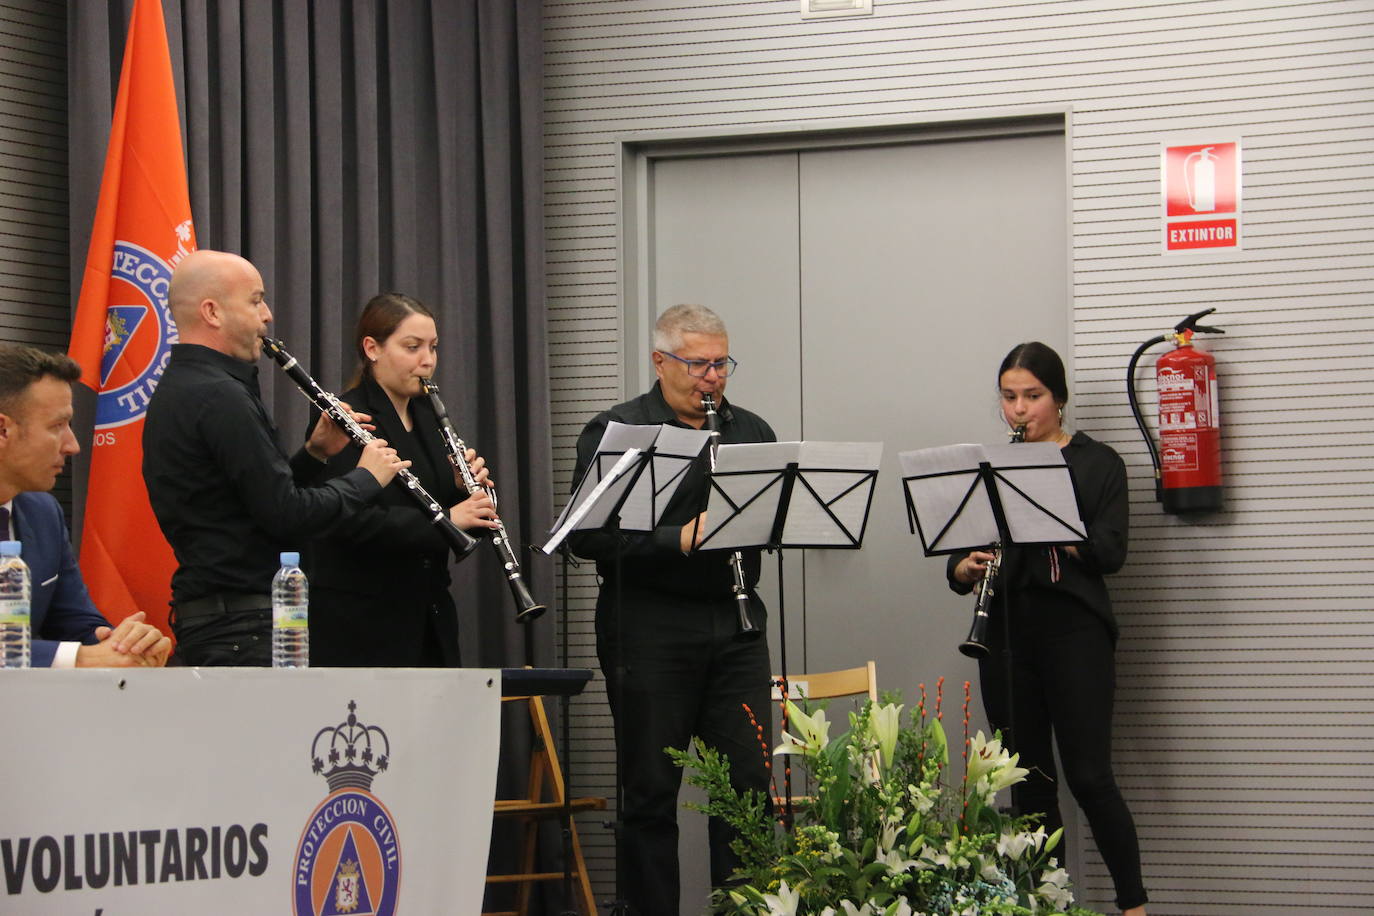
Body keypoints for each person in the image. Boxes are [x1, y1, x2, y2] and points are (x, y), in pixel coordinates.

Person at [569, 303, 775, 916]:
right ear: (660, 362)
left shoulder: (751, 432)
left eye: (721, 364)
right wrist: (676, 538)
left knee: (747, 789)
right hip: (648, 629)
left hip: (736, 624)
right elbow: (586, 537)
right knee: (652, 792)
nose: (712, 377)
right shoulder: (617, 432)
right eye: (697, 364)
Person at [947, 341, 1147, 915]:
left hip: (1074, 635)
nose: (1019, 409)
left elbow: (1111, 552)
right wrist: (963, 566)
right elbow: (960, 557)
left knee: (1089, 777)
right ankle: (1044, 905)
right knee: (1028, 784)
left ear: (1058, 398)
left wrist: (1057, 524)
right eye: (1009, 398)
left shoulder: (1097, 462)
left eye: (1032, 396)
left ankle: (1133, 905)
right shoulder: (989, 467)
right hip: (1006, 637)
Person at [143, 249, 408, 666]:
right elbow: (287, 515)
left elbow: (249, 505)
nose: (267, 315)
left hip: (224, 621)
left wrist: (315, 455)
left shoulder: (188, 386)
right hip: (240, 628)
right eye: (255, 300)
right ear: (212, 312)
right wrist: (366, 477)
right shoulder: (218, 395)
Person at [302, 293, 498, 666]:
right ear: (372, 348)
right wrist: (450, 520)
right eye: (413, 347)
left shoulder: (430, 415)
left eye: (433, 347)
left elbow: (439, 505)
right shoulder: (346, 417)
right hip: (363, 624)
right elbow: (350, 521)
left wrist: (464, 492)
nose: (428, 360)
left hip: (429, 616)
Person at [0, 344, 170, 667]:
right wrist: (82, 658)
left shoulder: (42, 513)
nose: (73, 445)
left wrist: (127, 646)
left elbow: (77, 624)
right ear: (3, 429)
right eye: (56, 426)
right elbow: (80, 653)